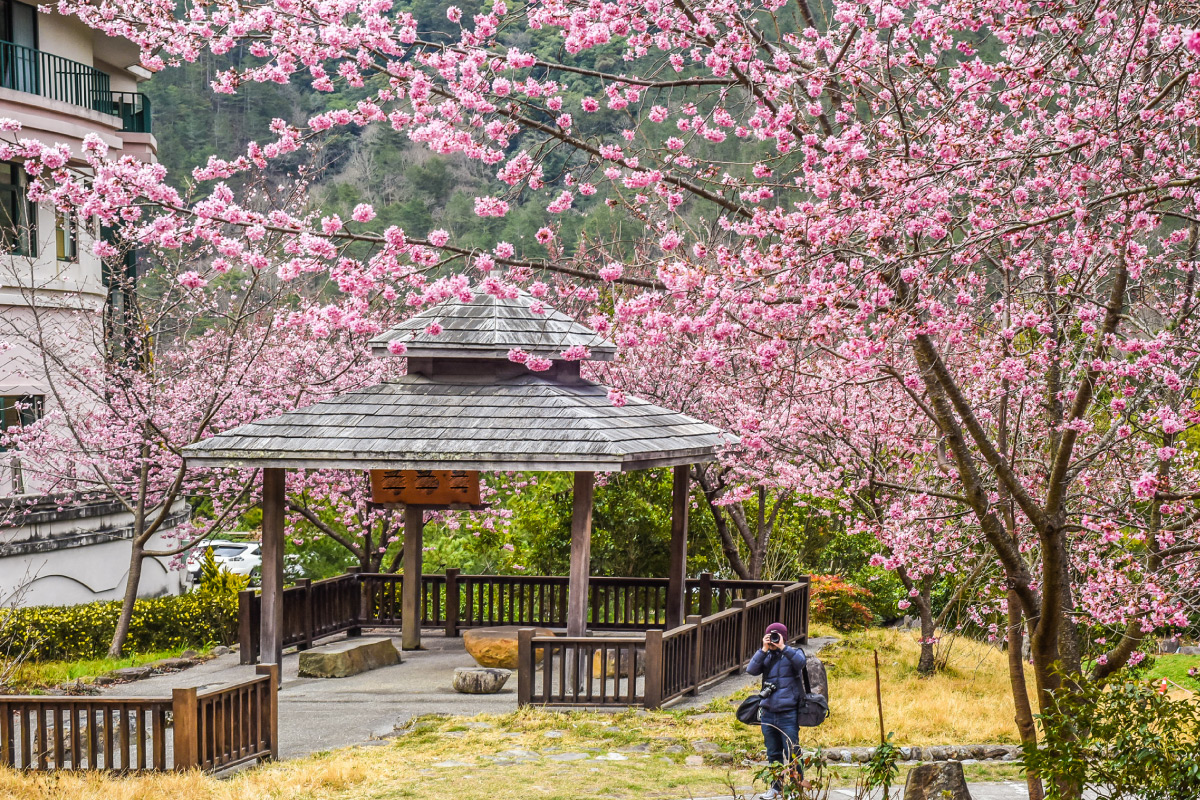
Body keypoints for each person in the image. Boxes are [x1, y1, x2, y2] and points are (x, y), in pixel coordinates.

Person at [745, 622, 807, 799]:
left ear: (783, 637)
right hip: (768, 713)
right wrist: (763, 649)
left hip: (788, 713)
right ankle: (776, 789)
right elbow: (751, 670)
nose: (772, 640)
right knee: (773, 753)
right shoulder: (766, 656)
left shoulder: (794, 653)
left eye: (775, 637)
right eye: (770, 636)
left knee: (793, 752)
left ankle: (796, 789)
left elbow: (801, 663)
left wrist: (782, 647)